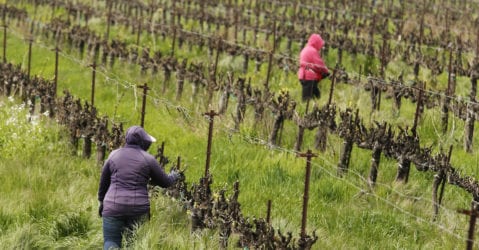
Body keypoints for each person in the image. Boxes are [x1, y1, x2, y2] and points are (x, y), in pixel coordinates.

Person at [98, 125, 180, 249]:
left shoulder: (113, 155)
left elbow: (103, 182)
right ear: (144, 142)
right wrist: (175, 175)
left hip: (112, 207)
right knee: (135, 244)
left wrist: (101, 202)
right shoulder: (148, 159)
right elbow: (165, 182)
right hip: (138, 209)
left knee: (111, 242)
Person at [297, 33, 330, 102]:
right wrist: (326, 71)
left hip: (303, 75)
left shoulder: (305, 49)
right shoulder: (313, 51)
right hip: (309, 77)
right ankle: (308, 110)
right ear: (316, 43)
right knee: (308, 98)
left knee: (315, 94)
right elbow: (319, 64)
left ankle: (313, 106)